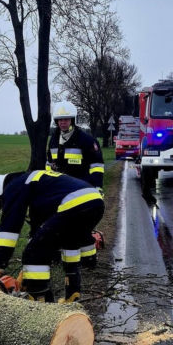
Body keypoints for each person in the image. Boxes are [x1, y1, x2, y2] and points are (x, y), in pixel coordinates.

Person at [0, 168, 104, 303]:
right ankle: (72, 294)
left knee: (34, 253)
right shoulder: (36, 186)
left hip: (75, 203)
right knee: (69, 243)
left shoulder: (13, 186)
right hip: (95, 201)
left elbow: (9, 227)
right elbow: (38, 234)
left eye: (0, 203)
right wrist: (24, 274)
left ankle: (41, 302)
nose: (3, 205)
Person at [46, 100, 105, 268]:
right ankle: (60, 256)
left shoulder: (86, 140)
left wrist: (97, 188)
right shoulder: (54, 140)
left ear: (72, 120)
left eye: (66, 119)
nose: (63, 123)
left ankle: (88, 261)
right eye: (60, 120)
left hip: (82, 191)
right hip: (60, 191)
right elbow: (49, 164)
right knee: (60, 224)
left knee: (81, 227)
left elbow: (97, 166)